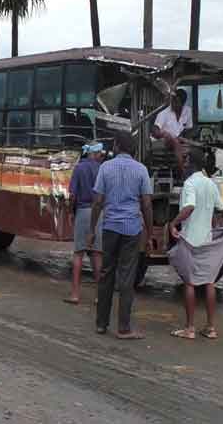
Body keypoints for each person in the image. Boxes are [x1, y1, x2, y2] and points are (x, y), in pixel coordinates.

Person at [168, 149, 223, 340]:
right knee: (209, 283)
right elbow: (222, 208)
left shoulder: (190, 183)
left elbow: (189, 207)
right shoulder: (210, 184)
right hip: (207, 240)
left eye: (185, 160)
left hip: (190, 240)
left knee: (189, 283)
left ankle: (190, 328)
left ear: (191, 163)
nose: (183, 164)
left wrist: (173, 223)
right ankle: (210, 327)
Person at [89, 132, 153, 339]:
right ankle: (124, 328)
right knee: (127, 277)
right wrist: (149, 233)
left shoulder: (105, 168)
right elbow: (147, 204)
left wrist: (91, 230)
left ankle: (101, 324)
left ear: (117, 146)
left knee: (106, 274)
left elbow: (98, 201)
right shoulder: (141, 170)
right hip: (132, 229)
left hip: (110, 228)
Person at [64, 142, 105, 305]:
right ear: (96, 154)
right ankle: (99, 296)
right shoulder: (102, 169)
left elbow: (72, 195)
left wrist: (70, 212)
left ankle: (75, 294)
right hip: (99, 213)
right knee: (97, 254)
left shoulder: (79, 168)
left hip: (82, 212)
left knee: (78, 253)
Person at [151, 89, 193, 171]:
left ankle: (191, 171)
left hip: (178, 140)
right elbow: (155, 130)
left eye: (176, 102)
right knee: (174, 141)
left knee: (193, 148)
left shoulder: (188, 111)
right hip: (162, 141)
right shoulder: (164, 112)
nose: (173, 103)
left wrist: (183, 137)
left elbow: (189, 129)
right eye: (172, 100)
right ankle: (183, 171)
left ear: (183, 103)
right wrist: (163, 134)